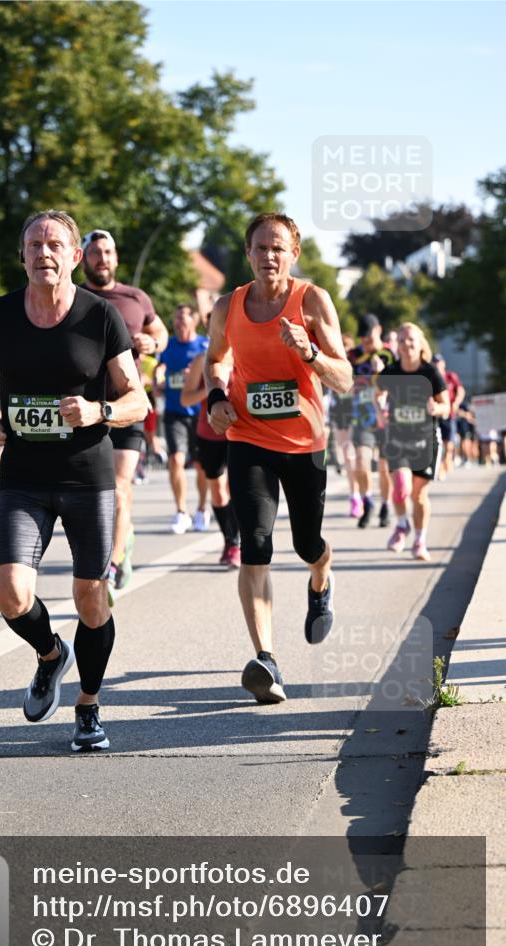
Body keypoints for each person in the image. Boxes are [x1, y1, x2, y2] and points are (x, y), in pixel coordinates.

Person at [0, 210, 147, 752]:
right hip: (23, 477)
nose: (43, 253)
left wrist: (98, 411)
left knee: (91, 600)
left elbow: (136, 398)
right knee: (10, 593)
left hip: (86, 479)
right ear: (21, 255)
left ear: (74, 257)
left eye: (54, 245)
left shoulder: (101, 317)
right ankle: (50, 654)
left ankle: (89, 707)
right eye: (34, 244)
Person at [205, 213, 352, 703]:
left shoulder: (311, 300)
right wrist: (216, 399)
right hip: (248, 438)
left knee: (308, 542)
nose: (269, 256)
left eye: (278, 248)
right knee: (257, 542)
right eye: (260, 248)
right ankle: (266, 659)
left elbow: (344, 378)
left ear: (294, 254)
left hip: (304, 442)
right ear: (247, 254)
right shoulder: (228, 306)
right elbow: (214, 360)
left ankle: (320, 578)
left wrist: (310, 353)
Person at [80, 229, 168, 595]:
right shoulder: (72, 298)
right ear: (82, 258)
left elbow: (160, 333)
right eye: (96, 252)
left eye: (108, 252)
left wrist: (153, 342)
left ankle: (111, 566)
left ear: (116, 258)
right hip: (83, 409)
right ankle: (123, 538)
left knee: (118, 490)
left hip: (127, 406)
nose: (103, 258)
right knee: (90, 495)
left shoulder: (135, 298)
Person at [379, 323, 449, 562]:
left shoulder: (430, 373)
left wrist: (435, 407)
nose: (406, 344)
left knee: (418, 496)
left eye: (410, 340)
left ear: (420, 344)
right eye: (401, 340)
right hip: (398, 438)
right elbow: (376, 394)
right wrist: (380, 410)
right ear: (396, 345)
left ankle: (420, 540)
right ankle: (401, 525)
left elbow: (447, 407)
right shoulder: (390, 372)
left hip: (426, 441)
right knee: (400, 488)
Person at [180, 350, 240, 568]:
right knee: (217, 490)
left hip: (242, 431)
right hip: (210, 433)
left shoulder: (246, 351)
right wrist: (211, 391)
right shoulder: (202, 360)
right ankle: (230, 540)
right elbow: (185, 399)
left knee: (239, 488)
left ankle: (237, 543)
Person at [160, 304, 210, 534]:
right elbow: (160, 367)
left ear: (194, 321)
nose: (179, 324)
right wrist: (157, 379)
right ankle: (181, 512)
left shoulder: (204, 345)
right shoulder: (168, 345)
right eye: (176, 320)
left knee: (201, 465)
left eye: (184, 319)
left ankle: (201, 509)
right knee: (175, 461)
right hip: (174, 412)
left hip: (200, 414)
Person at [347, 314, 394, 528]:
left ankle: (386, 505)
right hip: (362, 417)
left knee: (385, 468)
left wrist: (382, 372)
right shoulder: (354, 356)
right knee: (361, 461)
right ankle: (367, 501)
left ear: (379, 331)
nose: (366, 342)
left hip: (387, 419)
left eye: (369, 337)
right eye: (362, 338)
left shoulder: (390, 355)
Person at [330, 332, 360, 517]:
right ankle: (354, 494)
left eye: (347, 348)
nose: (345, 351)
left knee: (353, 454)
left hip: (355, 411)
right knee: (347, 456)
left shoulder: (357, 365)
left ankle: (360, 492)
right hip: (338, 411)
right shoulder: (332, 361)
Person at [431, 353, 465, 477]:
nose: (436, 364)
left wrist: (456, 403)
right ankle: (439, 466)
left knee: (448, 442)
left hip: (448, 414)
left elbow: (460, 390)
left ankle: (447, 460)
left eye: (438, 362)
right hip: (434, 414)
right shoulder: (429, 377)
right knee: (435, 442)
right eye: (434, 362)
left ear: (443, 364)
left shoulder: (450, 376)